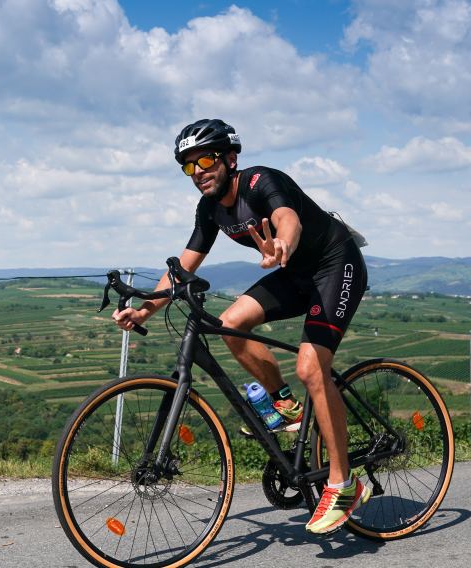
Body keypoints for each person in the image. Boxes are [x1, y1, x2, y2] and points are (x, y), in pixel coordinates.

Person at [112, 118, 370, 535]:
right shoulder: (209, 208)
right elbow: (182, 268)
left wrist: (283, 242)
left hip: (333, 265)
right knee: (230, 323)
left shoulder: (261, 182)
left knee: (311, 366)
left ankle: (343, 484)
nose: (199, 172)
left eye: (207, 160)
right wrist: (144, 310)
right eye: (189, 166)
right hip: (292, 275)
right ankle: (285, 403)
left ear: (231, 158)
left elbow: (288, 217)